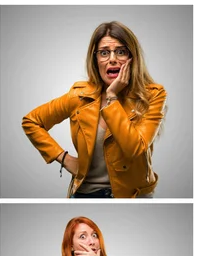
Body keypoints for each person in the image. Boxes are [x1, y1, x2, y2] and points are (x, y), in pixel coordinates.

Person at [22, 21, 166, 198]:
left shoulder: (152, 95)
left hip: (132, 196)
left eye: (120, 52)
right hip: (85, 194)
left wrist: (112, 96)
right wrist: (64, 159)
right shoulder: (79, 96)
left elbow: (134, 148)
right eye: (104, 53)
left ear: (132, 57)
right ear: (95, 59)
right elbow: (31, 121)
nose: (112, 58)